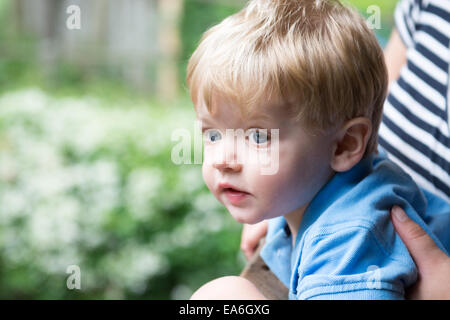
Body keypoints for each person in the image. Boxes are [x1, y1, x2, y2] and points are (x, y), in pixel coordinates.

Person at [187, 0, 450, 299]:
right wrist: (282, 203)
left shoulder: (350, 240)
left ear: (345, 145)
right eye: (213, 134)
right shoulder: (328, 186)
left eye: (258, 137)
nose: (223, 160)